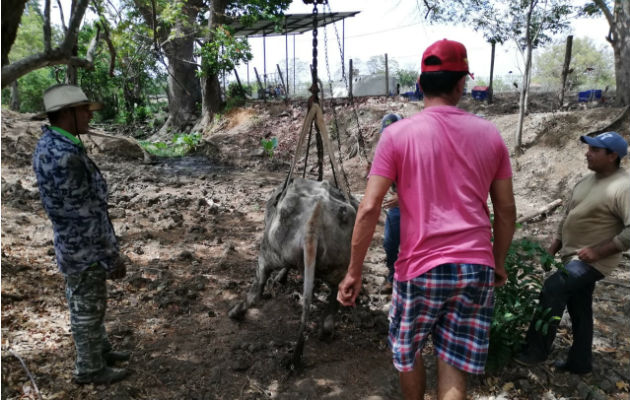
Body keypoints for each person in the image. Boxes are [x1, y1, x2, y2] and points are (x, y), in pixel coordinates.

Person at [337, 39, 516, 400]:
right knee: (452, 362)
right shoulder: (490, 135)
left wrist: (354, 271)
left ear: (420, 85)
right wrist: (497, 262)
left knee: (409, 353)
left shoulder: (397, 135)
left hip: (419, 267)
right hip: (474, 267)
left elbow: (370, 207)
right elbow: (506, 209)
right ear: (461, 84)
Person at [33, 84, 130, 385]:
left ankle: (99, 351)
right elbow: (86, 215)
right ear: (66, 114)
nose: (89, 114)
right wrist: (110, 257)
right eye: (83, 110)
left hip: (71, 245)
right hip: (85, 249)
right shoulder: (66, 156)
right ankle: (90, 369)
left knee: (87, 303)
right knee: (87, 308)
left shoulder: (51, 145)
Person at [515, 131, 629, 375]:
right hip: (572, 255)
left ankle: (535, 351)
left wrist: (599, 252)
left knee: (553, 287)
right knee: (580, 308)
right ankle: (580, 363)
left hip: (591, 261)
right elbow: (568, 216)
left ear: (612, 156)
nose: (587, 153)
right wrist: (553, 248)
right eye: (588, 148)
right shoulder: (587, 181)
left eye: (595, 150)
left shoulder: (623, 187)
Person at [379, 113, 403, 294]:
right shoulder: (387, 152)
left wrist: (403, 197)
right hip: (396, 207)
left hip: (417, 207)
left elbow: (427, 184)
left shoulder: (416, 150)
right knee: (389, 242)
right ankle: (392, 276)